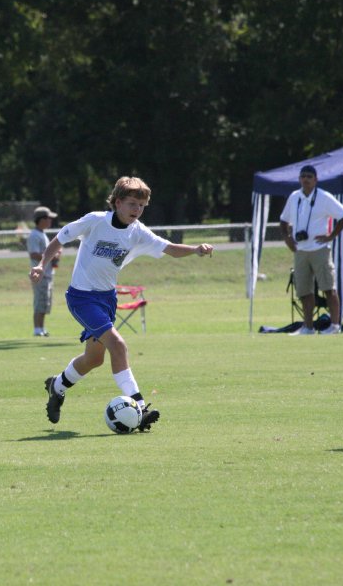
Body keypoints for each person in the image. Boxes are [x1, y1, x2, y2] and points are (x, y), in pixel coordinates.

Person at [29, 176, 213, 430]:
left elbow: (169, 248)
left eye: (141, 206)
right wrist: (40, 265)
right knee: (118, 345)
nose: (136, 210)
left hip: (106, 299)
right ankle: (139, 405)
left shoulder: (137, 232)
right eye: (131, 204)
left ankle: (57, 386)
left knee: (94, 359)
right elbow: (59, 239)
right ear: (117, 202)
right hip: (81, 298)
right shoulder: (94, 221)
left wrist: (194, 249)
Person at [279, 165, 343, 334]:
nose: (305, 179)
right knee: (304, 291)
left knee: (328, 288)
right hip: (300, 250)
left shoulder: (324, 197)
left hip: (320, 249)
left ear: (315, 180)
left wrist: (331, 236)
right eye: (303, 176)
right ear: (299, 179)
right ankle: (308, 327)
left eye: (309, 176)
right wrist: (287, 238)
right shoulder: (294, 197)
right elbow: (283, 220)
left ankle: (334, 326)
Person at [27, 206, 59, 337]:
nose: (50, 221)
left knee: (45, 301)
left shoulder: (42, 234)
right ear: (41, 219)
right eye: (48, 218)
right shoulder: (34, 235)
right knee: (40, 301)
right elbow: (34, 254)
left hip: (47, 274)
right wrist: (50, 256)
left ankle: (42, 328)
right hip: (39, 275)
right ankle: (37, 329)